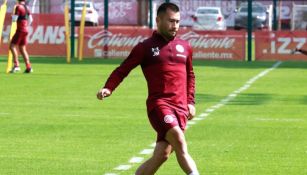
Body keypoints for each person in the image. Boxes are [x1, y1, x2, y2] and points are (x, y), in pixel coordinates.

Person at [97, 2, 199, 175]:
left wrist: (191, 102)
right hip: (159, 106)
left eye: (177, 21)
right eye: (170, 21)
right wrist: (108, 88)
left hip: (181, 108)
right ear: (158, 20)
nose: (175, 25)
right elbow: (123, 70)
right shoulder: (145, 47)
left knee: (162, 155)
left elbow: (190, 75)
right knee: (179, 140)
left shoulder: (185, 47)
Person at [9, 0, 33, 73]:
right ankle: (28, 67)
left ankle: (16, 65)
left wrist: (12, 14)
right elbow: (31, 20)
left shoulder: (18, 7)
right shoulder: (27, 7)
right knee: (22, 48)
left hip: (20, 30)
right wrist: (26, 26)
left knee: (12, 46)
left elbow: (14, 20)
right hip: (26, 30)